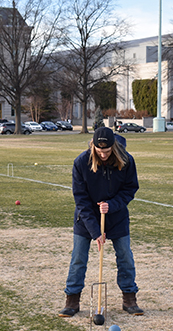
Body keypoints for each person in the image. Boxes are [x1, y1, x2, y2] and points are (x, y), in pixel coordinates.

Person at [59, 127, 143, 317]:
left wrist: (112, 205)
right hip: (86, 218)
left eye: (107, 151)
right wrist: (95, 231)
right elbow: (81, 199)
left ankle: (129, 298)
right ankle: (72, 300)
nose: (103, 155)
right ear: (93, 147)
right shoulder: (82, 162)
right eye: (99, 151)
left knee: (125, 257)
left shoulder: (126, 160)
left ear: (113, 146)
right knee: (78, 258)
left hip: (117, 216)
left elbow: (130, 189)